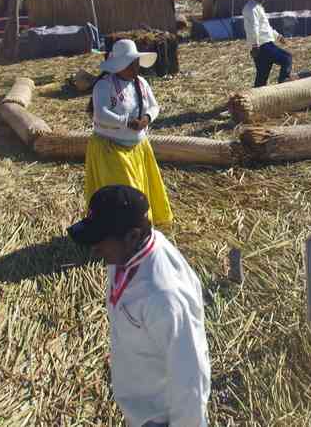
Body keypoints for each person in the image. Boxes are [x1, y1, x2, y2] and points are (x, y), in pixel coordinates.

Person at [68, 185, 210, 427]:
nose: (94, 248)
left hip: (160, 418)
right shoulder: (126, 253)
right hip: (140, 407)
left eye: (101, 241)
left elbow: (190, 377)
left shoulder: (164, 296)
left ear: (132, 236)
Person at [87, 39, 174, 227]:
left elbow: (154, 105)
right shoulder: (104, 85)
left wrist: (147, 119)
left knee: (139, 191)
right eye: (131, 64)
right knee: (126, 192)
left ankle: (140, 227)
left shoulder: (141, 83)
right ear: (119, 65)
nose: (135, 67)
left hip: (138, 147)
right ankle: (124, 231)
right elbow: (100, 114)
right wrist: (126, 122)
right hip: (112, 150)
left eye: (136, 63)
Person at [242, 0, 293, 87]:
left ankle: (256, 97)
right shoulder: (252, 9)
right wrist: (255, 46)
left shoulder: (256, 7)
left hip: (260, 46)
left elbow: (266, 28)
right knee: (286, 58)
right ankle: (283, 84)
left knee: (262, 76)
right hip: (263, 45)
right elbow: (253, 28)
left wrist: (278, 37)